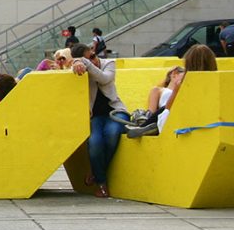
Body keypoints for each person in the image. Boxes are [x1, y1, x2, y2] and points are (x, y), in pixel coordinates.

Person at [71, 43, 127, 198]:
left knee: (112, 134)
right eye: (89, 59)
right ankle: (101, 183)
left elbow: (105, 79)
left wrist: (87, 64)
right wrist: (76, 63)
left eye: (94, 56)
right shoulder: (80, 69)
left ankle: (97, 176)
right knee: (95, 144)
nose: (94, 60)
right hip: (95, 116)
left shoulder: (108, 64)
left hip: (115, 111)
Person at [129, 44, 218, 137]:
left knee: (163, 109)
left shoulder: (183, 85)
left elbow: (166, 112)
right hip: (210, 120)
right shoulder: (217, 82)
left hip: (182, 121)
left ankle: (144, 127)